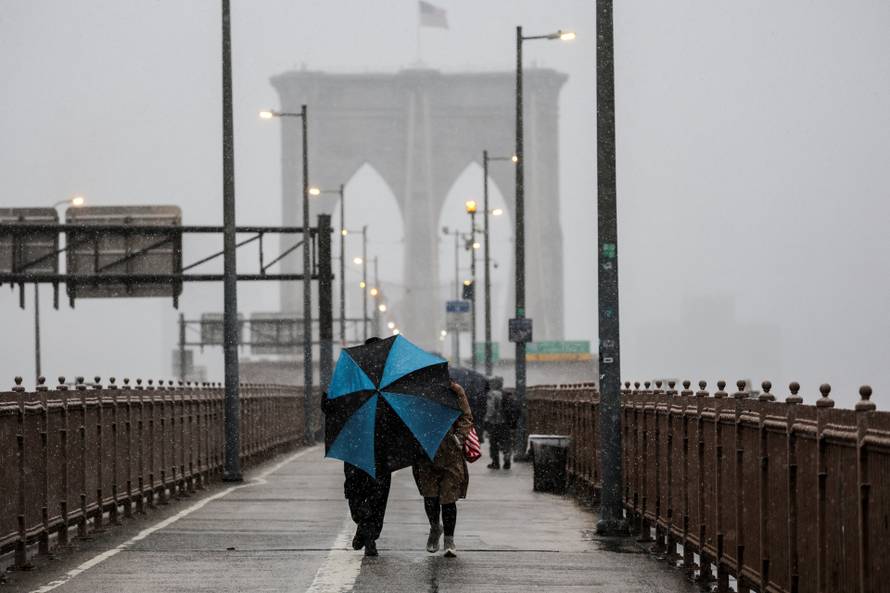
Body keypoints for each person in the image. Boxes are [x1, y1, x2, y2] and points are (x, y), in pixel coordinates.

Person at [321, 337, 390, 557]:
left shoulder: (350, 380)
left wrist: (327, 401)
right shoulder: (391, 383)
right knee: (377, 494)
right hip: (381, 448)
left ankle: (364, 525)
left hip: (355, 445)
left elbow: (333, 409)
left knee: (355, 490)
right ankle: (369, 531)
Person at [412, 380, 473, 557]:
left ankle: (449, 539)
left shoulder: (455, 391)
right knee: (429, 496)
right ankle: (434, 527)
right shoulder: (417, 392)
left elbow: (466, 417)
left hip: (451, 454)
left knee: (449, 498)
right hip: (426, 453)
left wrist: (458, 438)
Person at [484, 376, 516, 470]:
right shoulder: (506, 394)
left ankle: (495, 463)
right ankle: (507, 461)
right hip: (505, 423)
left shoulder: (492, 394)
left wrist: (486, 419)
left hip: (495, 423)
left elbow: (491, 410)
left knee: (494, 443)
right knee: (506, 443)